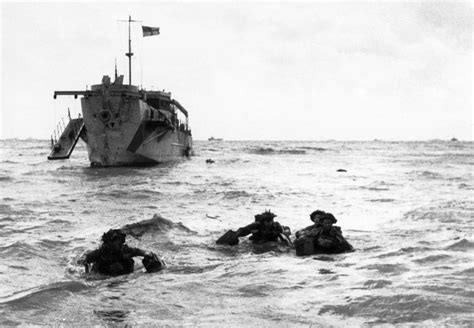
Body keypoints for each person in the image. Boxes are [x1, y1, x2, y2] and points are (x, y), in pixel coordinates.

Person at [79, 229, 163, 276]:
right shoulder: (100, 253)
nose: (121, 244)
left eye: (121, 242)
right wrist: (85, 265)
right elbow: (85, 258)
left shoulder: (124, 250)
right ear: (109, 243)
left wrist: (148, 254)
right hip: (105, 276)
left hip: (124, 274)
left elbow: (139, 251)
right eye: (118, 242)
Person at [217, 210, 291, 245]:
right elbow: (244, 230)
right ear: (263, 221)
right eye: (267, 221)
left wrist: (286, 232)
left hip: (272, 243)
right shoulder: (256, 226)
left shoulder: (276, 225)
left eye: (271, 220)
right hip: (258, 243)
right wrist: (237, 234)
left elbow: (285, 230)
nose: (270, 223)